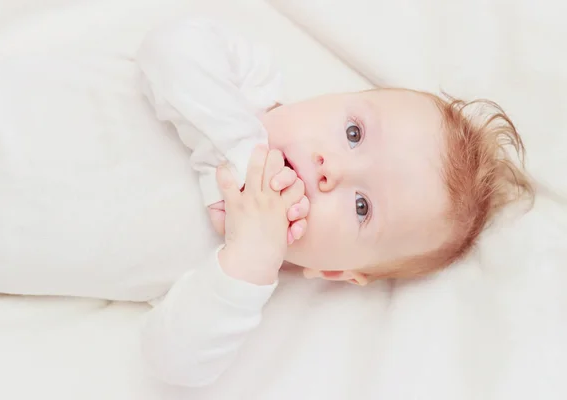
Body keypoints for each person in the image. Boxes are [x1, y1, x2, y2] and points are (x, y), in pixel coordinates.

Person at [135, 17, 533, 387]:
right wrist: (241, 152)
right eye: (354, 133)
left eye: (362, 207)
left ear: (336, 271)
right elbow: (165, 47)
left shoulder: (234, 284)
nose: (332, 170)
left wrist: (249, 256)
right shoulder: (248, 90)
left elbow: (170, 362)